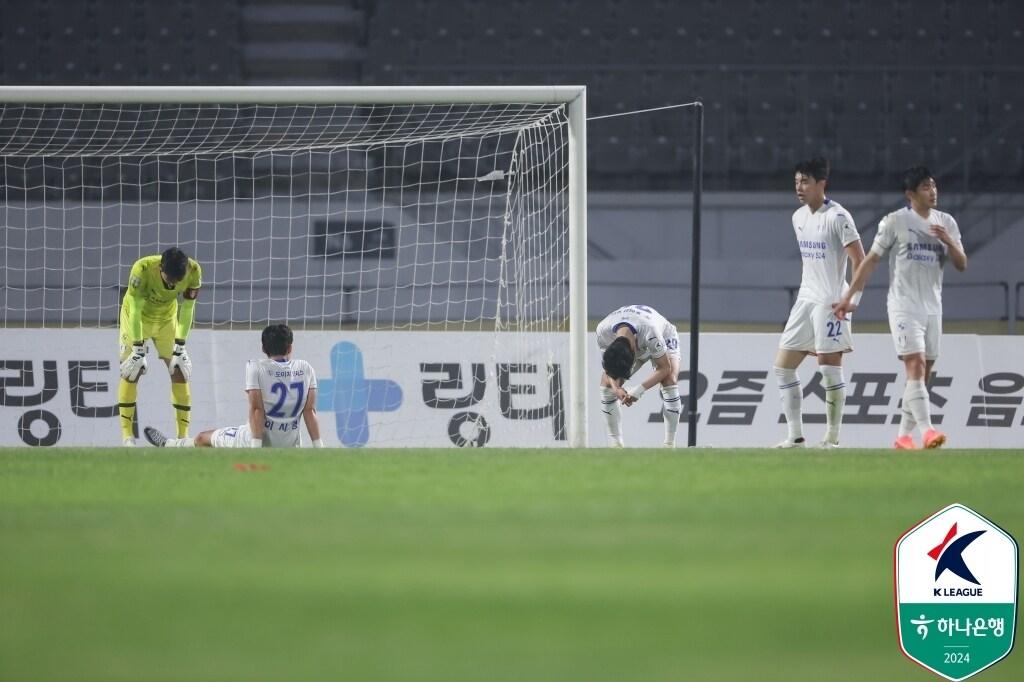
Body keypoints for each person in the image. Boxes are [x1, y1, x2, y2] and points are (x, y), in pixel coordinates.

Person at [833, 166, 967, 450]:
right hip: (903, 306)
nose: (933, 192)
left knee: (923, 373)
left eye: (933, 186)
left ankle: (903, 437)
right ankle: (927, 431)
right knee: (915, 365)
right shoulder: (895, 222)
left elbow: (962, 264)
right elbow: (870, 260)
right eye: (925, 187)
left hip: (933, 307)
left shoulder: (947, 223)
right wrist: (849, 296)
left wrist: (948, 240)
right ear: (910, 194)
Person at [774, 157, 865, 449]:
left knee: (828, 368)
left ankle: (832, 438)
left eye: (805, 182)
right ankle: (796, 436)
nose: (799, 187)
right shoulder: (798, 217)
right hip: (806, 298)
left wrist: (852, 298)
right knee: (783, 367)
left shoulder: (838, 217)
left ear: (821, 184)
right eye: (796, 181)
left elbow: (859, 260)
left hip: (830, 300)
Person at [144, 323, 324, 449]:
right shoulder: (305, 368)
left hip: (252, 439)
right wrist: (319, 448)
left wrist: (255, 447)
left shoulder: (256, 367)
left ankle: (169, 445)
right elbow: (309, 412)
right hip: (290, 445)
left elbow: (256, 410)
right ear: (290, 348)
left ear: (263, 348)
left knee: (202, 438)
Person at [117, 247, 201, 446]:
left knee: (180, 369)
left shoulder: (194, 271)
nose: (173, 284)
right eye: (169, 278)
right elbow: (136, 309)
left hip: (166, 319)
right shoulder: (142, 269)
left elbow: (188, 308)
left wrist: (180, 345)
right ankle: (127, 437)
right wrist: (138, 348)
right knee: (131, 371)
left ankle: (183, 437)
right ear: (161, 268)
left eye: (176, 281)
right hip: (136, 318)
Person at [596, 305, 681, 448]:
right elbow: (609, 369)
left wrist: (638, 391)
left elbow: (665, 368)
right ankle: (616, 445)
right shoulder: (603, 332)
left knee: (669, 380)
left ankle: (669, 445)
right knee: (607, 385)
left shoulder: (651, 331)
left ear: (634, 352)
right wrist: (617, 389)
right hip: (637, 337)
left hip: (663, 336)